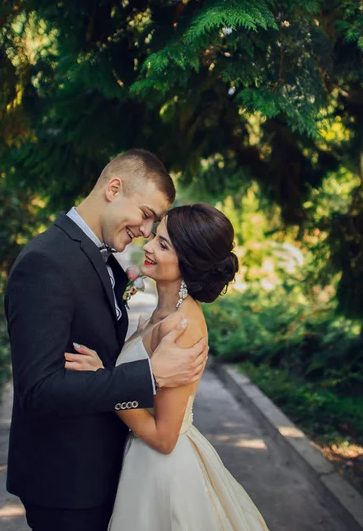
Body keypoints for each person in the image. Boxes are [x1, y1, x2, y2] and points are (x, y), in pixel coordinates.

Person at [4, 150, 209, 531]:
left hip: (105, 473)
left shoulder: (101, 259)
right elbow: (39, 389)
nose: (146, 233)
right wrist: (148, 375)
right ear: (114, 188)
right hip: (66, 483)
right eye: (147, 215)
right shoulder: (46, 262)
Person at [68, 203, 270, 531]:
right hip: (139, 460)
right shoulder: (158, 316)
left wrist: (103, 385)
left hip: (161, 471)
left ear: (187, 261)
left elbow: (165, 437)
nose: (147, 245)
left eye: (163, 244)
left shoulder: (182, 326)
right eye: (155, 237)